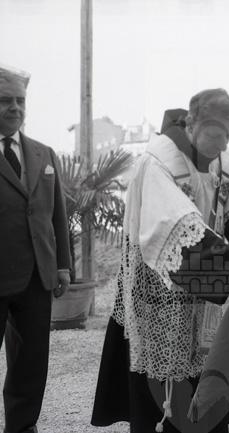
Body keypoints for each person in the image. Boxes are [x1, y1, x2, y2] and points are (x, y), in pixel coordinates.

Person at [91, 89, 229, 433]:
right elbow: (173, 226)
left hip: (203, 287)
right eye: (216, 135)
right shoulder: (158, 161)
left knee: (206, 367)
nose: (223, 144)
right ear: (191, 124)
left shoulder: (224, 161)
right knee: (160, 386)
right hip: (158, 287)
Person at [0, 67, 71, 433]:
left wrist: (63, 265)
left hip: (36, 278)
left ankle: (22, 426)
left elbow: (57, 216)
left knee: (31, 362)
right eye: (5, 100)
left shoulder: (44, 154)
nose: (15, 107)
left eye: (20, 100)